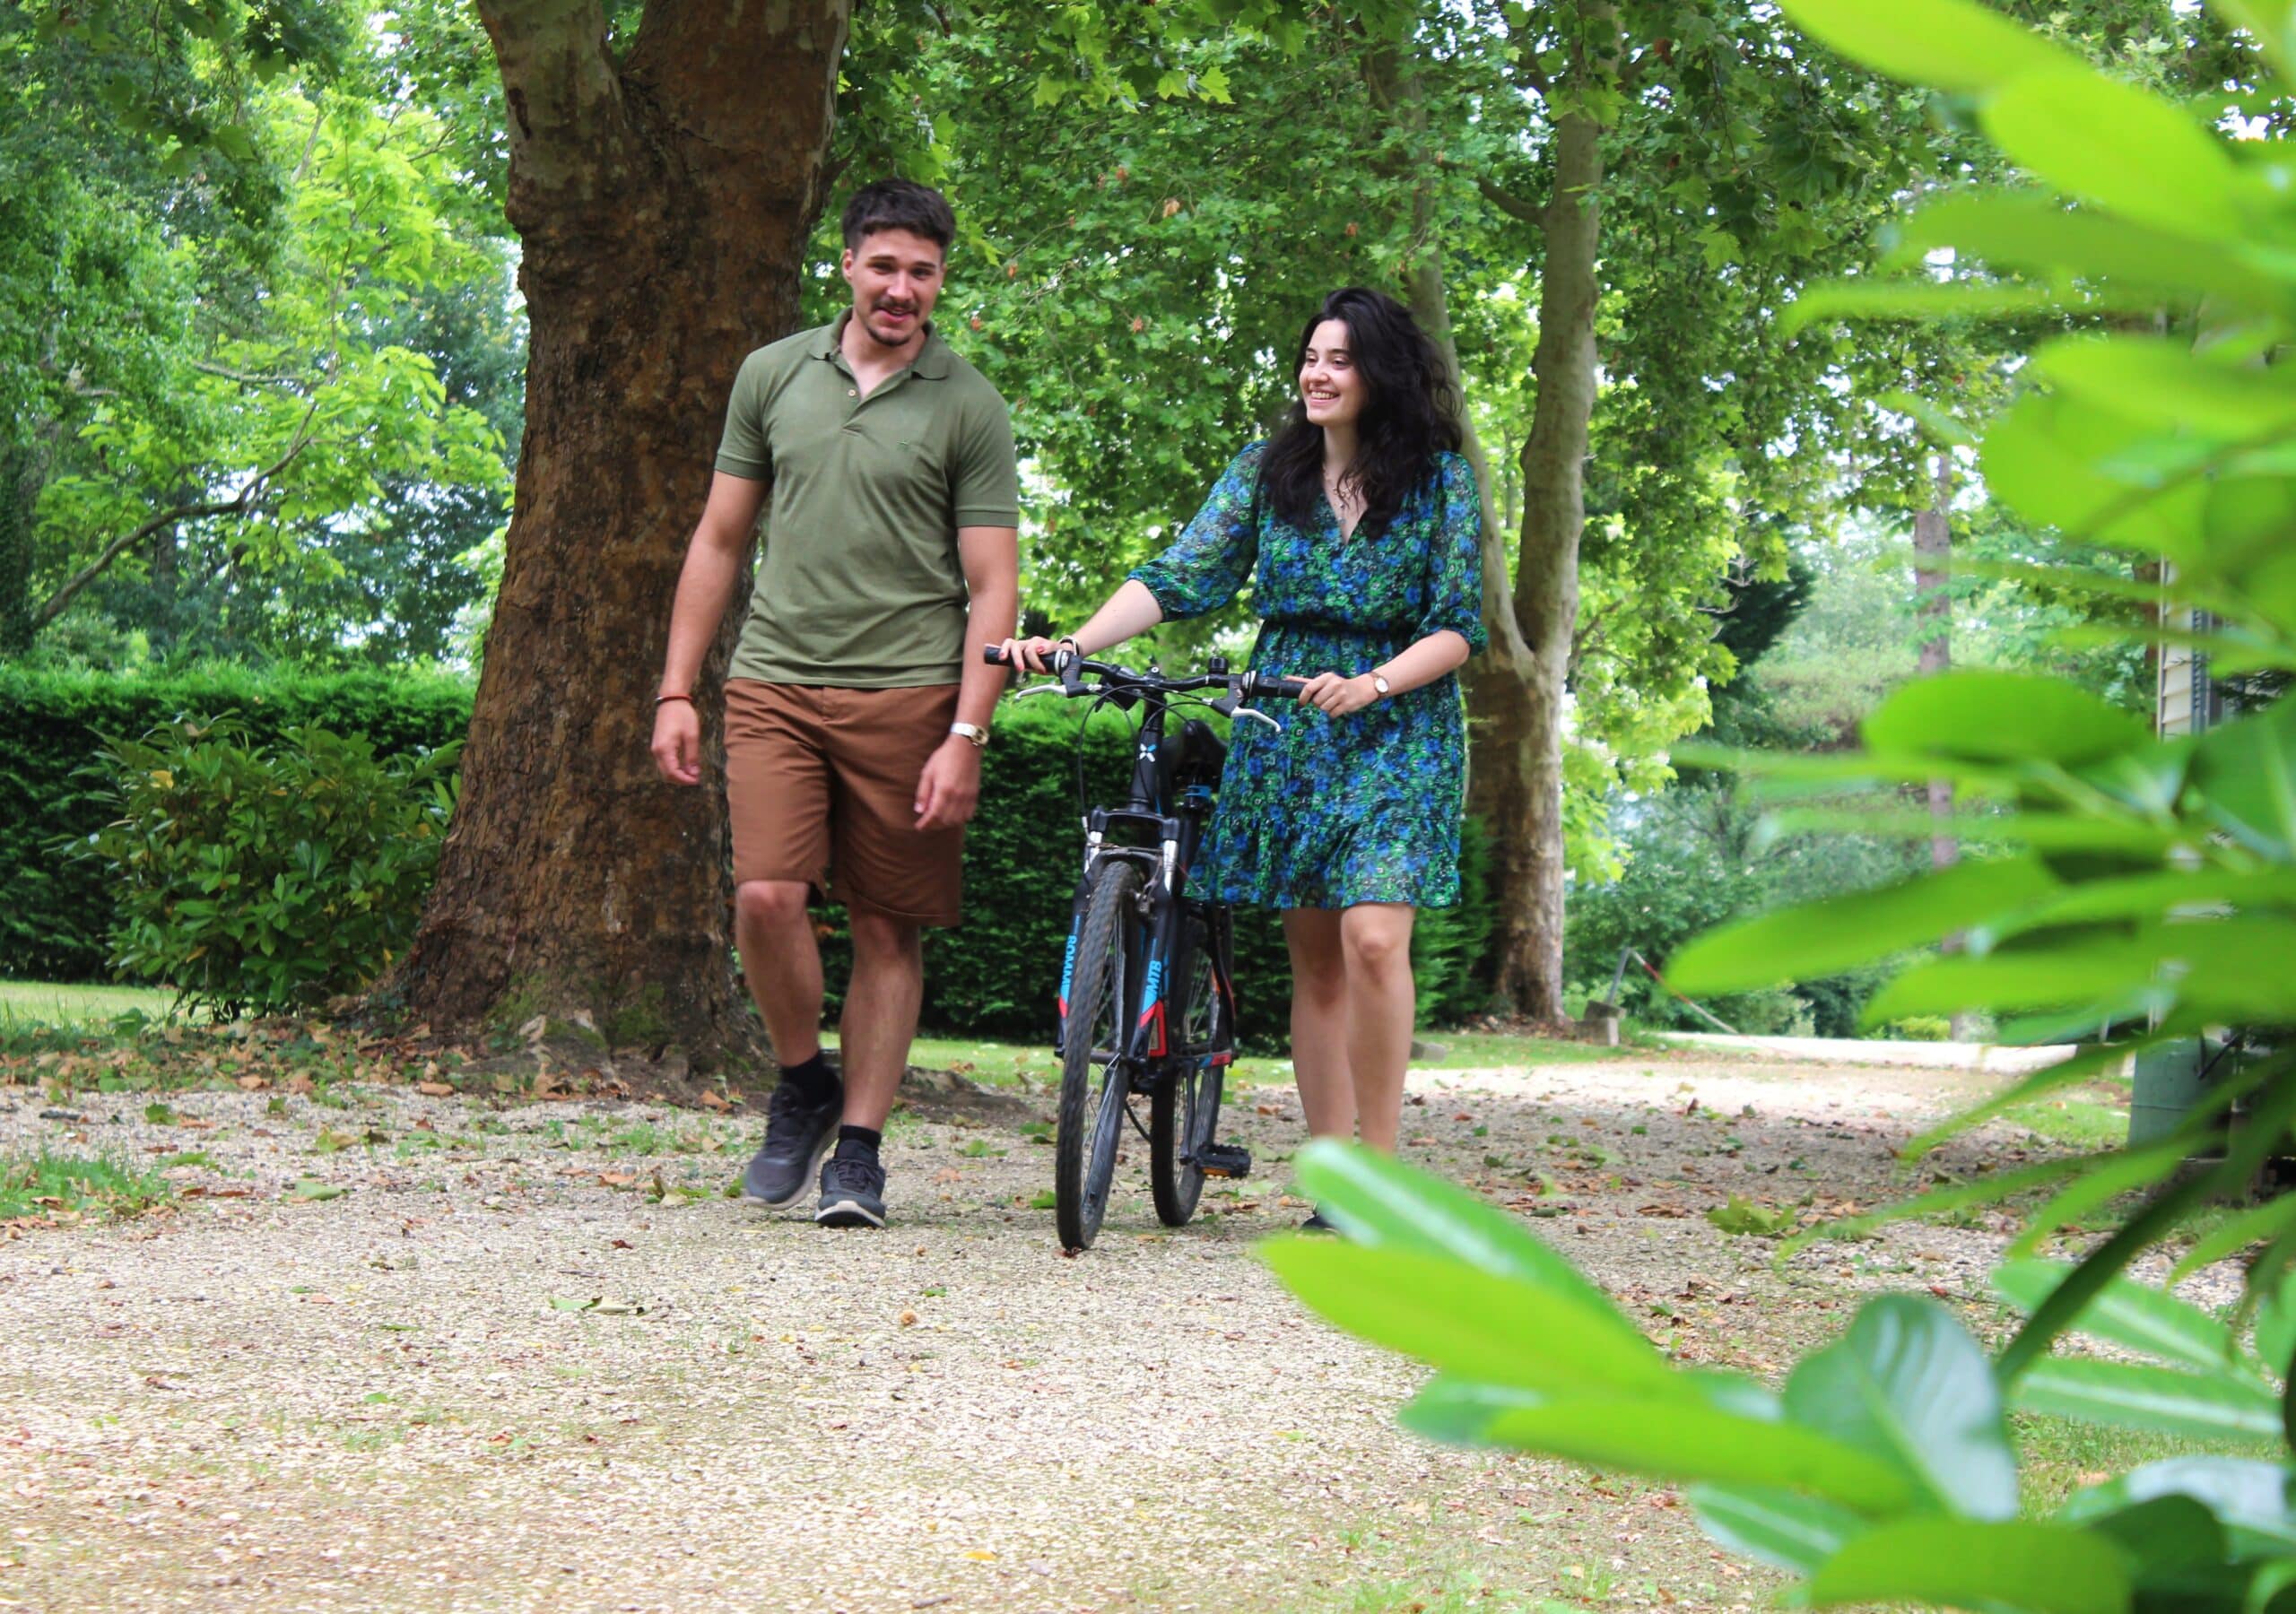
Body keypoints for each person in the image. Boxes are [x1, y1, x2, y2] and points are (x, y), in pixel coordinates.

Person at [999, 287, 1483, 1223]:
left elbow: (1459, 626)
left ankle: (1379, 1182)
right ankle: (1332, 1179)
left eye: (1340, 360)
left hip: (1399, 726)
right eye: (1310, 356)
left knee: (1374, 940)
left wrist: (1376, 682)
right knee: (1317, 963)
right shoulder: (1268, 474)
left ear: (1380, 373)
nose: (1317, 373)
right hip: (1286, 722)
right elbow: (1178, 575)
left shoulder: (1438, 483)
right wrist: (1079, 644)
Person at [651, 179, 1020, 1230]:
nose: (901, 288)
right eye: (885, 265)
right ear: (849, 264)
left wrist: (966, 731)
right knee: (765, 896)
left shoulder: (967, 402)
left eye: (922, 271)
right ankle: (801, 1077)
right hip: (773, 679)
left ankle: (857, 1150)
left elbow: (994, 586)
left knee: (886, 928)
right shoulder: (773, 376)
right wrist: (677, 688)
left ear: (941, 279)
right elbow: (720, 540)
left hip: (910, 695)